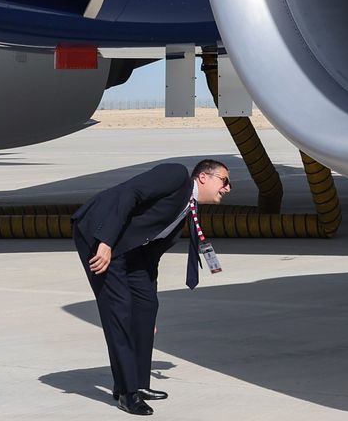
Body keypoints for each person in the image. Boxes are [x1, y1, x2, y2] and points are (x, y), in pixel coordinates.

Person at [72, 158, 232, 415]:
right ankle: (127, 393)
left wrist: (147, 301)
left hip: (131, 249)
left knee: (145, 310)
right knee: (120, 311)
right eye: (224, 181)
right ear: (204, 177)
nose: (228, 188)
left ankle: (139, 384)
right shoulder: (176, 175)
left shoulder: (187, 209)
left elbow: (151, 254)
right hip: (100, 234)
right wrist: (105, 241)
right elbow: (129, 194)